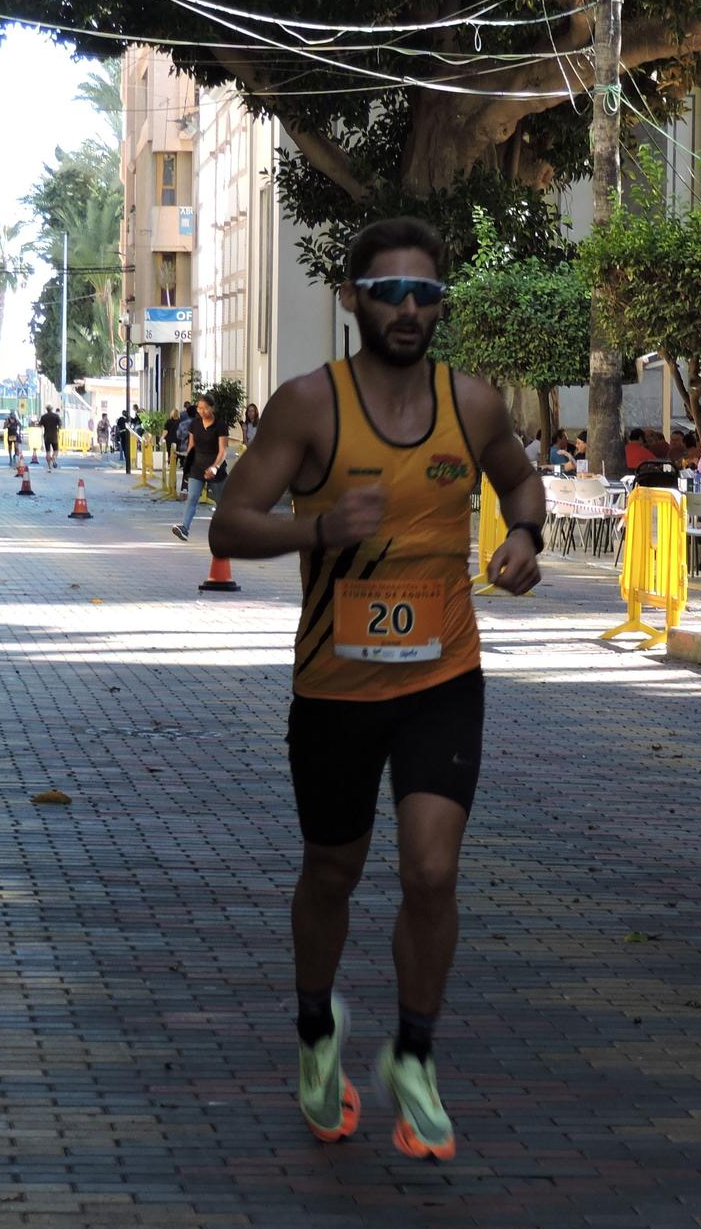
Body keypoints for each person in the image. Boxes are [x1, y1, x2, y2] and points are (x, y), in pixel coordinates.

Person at [210, 216, 544, 1163]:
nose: (407, 310)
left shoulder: (471, 404)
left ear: (442, 306)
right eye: (388, 293)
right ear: (352, 299)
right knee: (333, 872)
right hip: (334, 689)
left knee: (432, 871)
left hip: (443, 676)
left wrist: (525, 539)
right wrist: (319, 530)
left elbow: (522, 486)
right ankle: (317, 1033)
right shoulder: (309, 406)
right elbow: (230, 527)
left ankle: (417, 1054)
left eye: (425, 295)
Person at [171, 392, 231, 542]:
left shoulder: (220, 425)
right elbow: (192, 446)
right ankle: (184, 528)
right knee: (192, 498)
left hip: (215, 467)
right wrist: (187, 466)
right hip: (197, 467)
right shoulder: (195, 424)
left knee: (222, 502)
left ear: (212, 408)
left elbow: (223, 450)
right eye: (199, 408)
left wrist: (215, 467)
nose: (202, 411)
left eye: (205, 408)